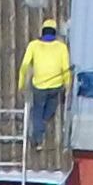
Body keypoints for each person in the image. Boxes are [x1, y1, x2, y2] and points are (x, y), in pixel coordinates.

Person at [19, 21, 73, 150]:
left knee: (38, 111)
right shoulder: (62, 47)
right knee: (49, 111)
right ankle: (40, 128)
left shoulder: (34, 45)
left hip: (39, 85)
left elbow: (24, 66)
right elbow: (66, 68)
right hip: (56, 85)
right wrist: (68, 85)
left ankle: (37, 139)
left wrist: (21, 84)